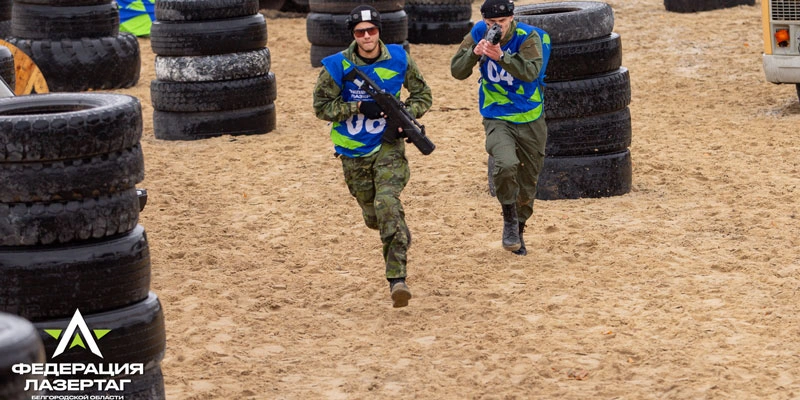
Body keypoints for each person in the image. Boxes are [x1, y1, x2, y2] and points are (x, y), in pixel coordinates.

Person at [312, 5, 432, 307]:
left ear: (379, 31)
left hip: (388, 148)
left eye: (371, 30)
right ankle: (398, 232)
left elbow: (423, 95)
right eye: (360, 32)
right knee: (373, 216)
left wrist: (405, 116)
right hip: (353, 151)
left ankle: (397, 280)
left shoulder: (400, 58)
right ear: (353, 35)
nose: (366, 36)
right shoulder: (337, 66)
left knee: (386, 203)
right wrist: (356, 107)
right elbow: (321, 107)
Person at [450, 0, 550, 256]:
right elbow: (456, 71)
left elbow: (531, 72)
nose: (497, 28)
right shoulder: (478, 32)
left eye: (502, 22)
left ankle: (519, 228)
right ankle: (508, 217)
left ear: (512, 18)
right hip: (496, 114)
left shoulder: (528, 37)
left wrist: (502, 57)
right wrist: (474, 53)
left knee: (528, 180)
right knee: (505, 164)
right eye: (491, 23)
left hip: (529, 116)